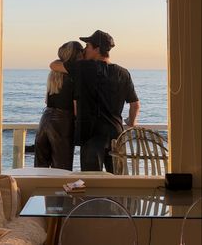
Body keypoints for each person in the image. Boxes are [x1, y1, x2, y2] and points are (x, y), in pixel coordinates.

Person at [50, 30, 140, 172]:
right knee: (119, 181)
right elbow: (135, 105)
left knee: (92, 184)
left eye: (87, 46)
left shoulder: (83, 68)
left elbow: (54, 65)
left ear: (97, 49)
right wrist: (131, 122)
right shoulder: (123, 73)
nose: (85, 50)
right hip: (116, 135)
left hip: (91, 135)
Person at [34, 41, 83, 170]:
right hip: (63, 122)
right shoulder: (75, 75)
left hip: (45, 119)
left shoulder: (53, 74)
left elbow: (47, 100)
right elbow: (76, 105)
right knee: (62, 168)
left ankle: (40, 189)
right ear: (77, 54)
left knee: (40, 166)